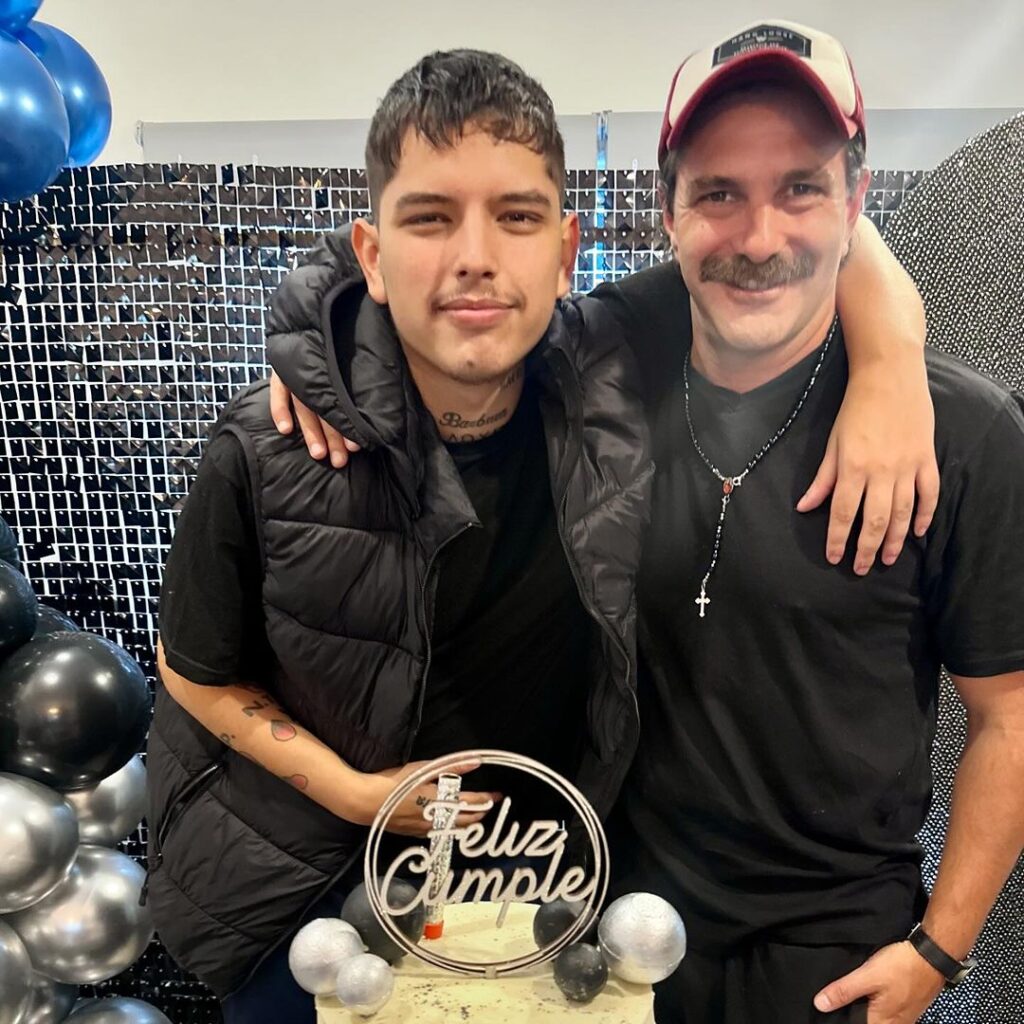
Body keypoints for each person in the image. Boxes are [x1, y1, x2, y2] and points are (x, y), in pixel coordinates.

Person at [270, 23, 1024, 1024]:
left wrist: (940, 947)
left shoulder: (962, 435)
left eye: (801, 188)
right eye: (718, 194)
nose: (758, 238)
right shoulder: (600, 371)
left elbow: (1011, 717)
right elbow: (409, 281)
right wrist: (315, 346)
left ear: (856, 201)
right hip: (612, 931)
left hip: (833, 951)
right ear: (666, 211)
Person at [147, 50, 653, 1021]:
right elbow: (191, 666)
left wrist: (888, 354)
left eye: (516, 215)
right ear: (371, 255)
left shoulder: (621, 409)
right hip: (311, 900)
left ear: (566, 248)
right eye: (429, 217)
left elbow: (777, 256)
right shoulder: (264, 445)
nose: (475, 255)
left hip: (542, 903)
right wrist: (354, 792)